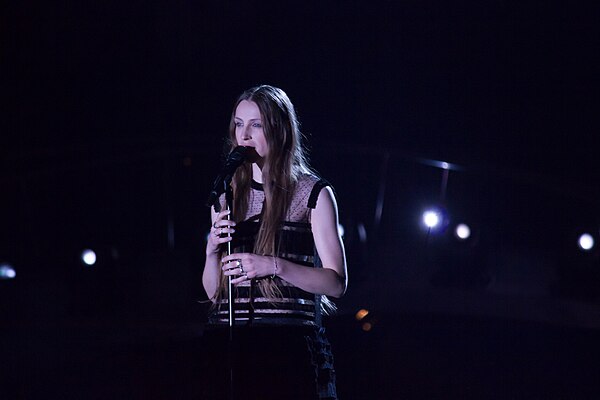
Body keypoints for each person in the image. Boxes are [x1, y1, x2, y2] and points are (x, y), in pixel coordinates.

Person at [201, 85, 347, 400]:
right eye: (239, 124)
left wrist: (272, 265)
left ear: (278, 129)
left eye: (256, 124)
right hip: (232, 350)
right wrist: (211, 251)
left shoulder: (312, 194)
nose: (245, 135)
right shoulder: (227, 193)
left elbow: (335, 284)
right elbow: (214, 292)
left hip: (287, 351)